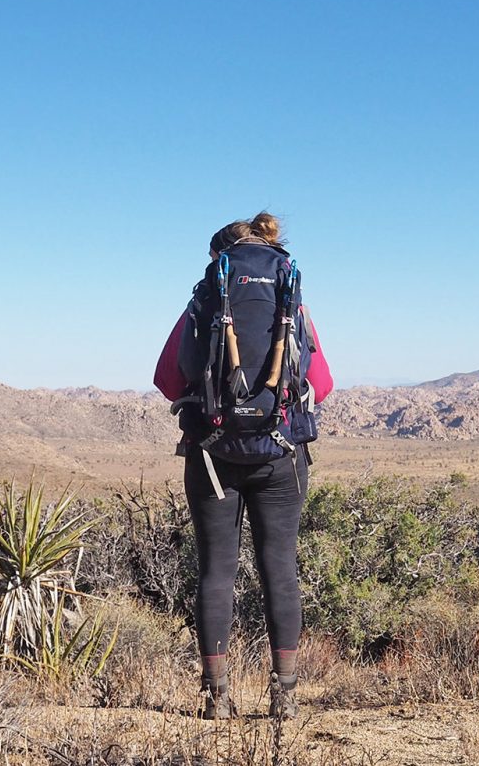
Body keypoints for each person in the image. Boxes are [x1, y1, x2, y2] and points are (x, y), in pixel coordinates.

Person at [153, 212, 333, 720]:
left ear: (220, 258)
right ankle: (286, 696)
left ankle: (216, 698)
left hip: (212, 452)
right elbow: (323, 381)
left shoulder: (206, 298)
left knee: (216, 571)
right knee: (280, 569)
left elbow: (168, 379)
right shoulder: (290, 298)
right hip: (281, 453)